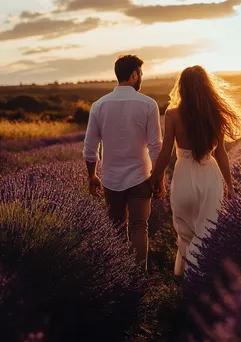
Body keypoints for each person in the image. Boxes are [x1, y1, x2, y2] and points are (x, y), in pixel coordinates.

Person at [149, 65, 241, 276]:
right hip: (209, 177)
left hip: (183, 177)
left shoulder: (172, 114)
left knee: (185, 232)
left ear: (182, 88)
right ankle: (199, 280)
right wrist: (230, 185)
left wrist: (156, 177)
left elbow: (165, 152)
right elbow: (221, 154)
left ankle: (186, 278)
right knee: (206, 231)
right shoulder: (215, 114)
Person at [83, 54, 163, 271]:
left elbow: (90, 148)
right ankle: (139, 279)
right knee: (139, 227)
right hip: (140, 176)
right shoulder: (148, 104)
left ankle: (120, 279)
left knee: (116, 228)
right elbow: (156, 146)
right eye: (141, 74)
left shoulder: (99, 106)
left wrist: (92, 176)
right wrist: (158, 178)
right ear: (134, 74)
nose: (142, 78)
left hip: (111, 179)